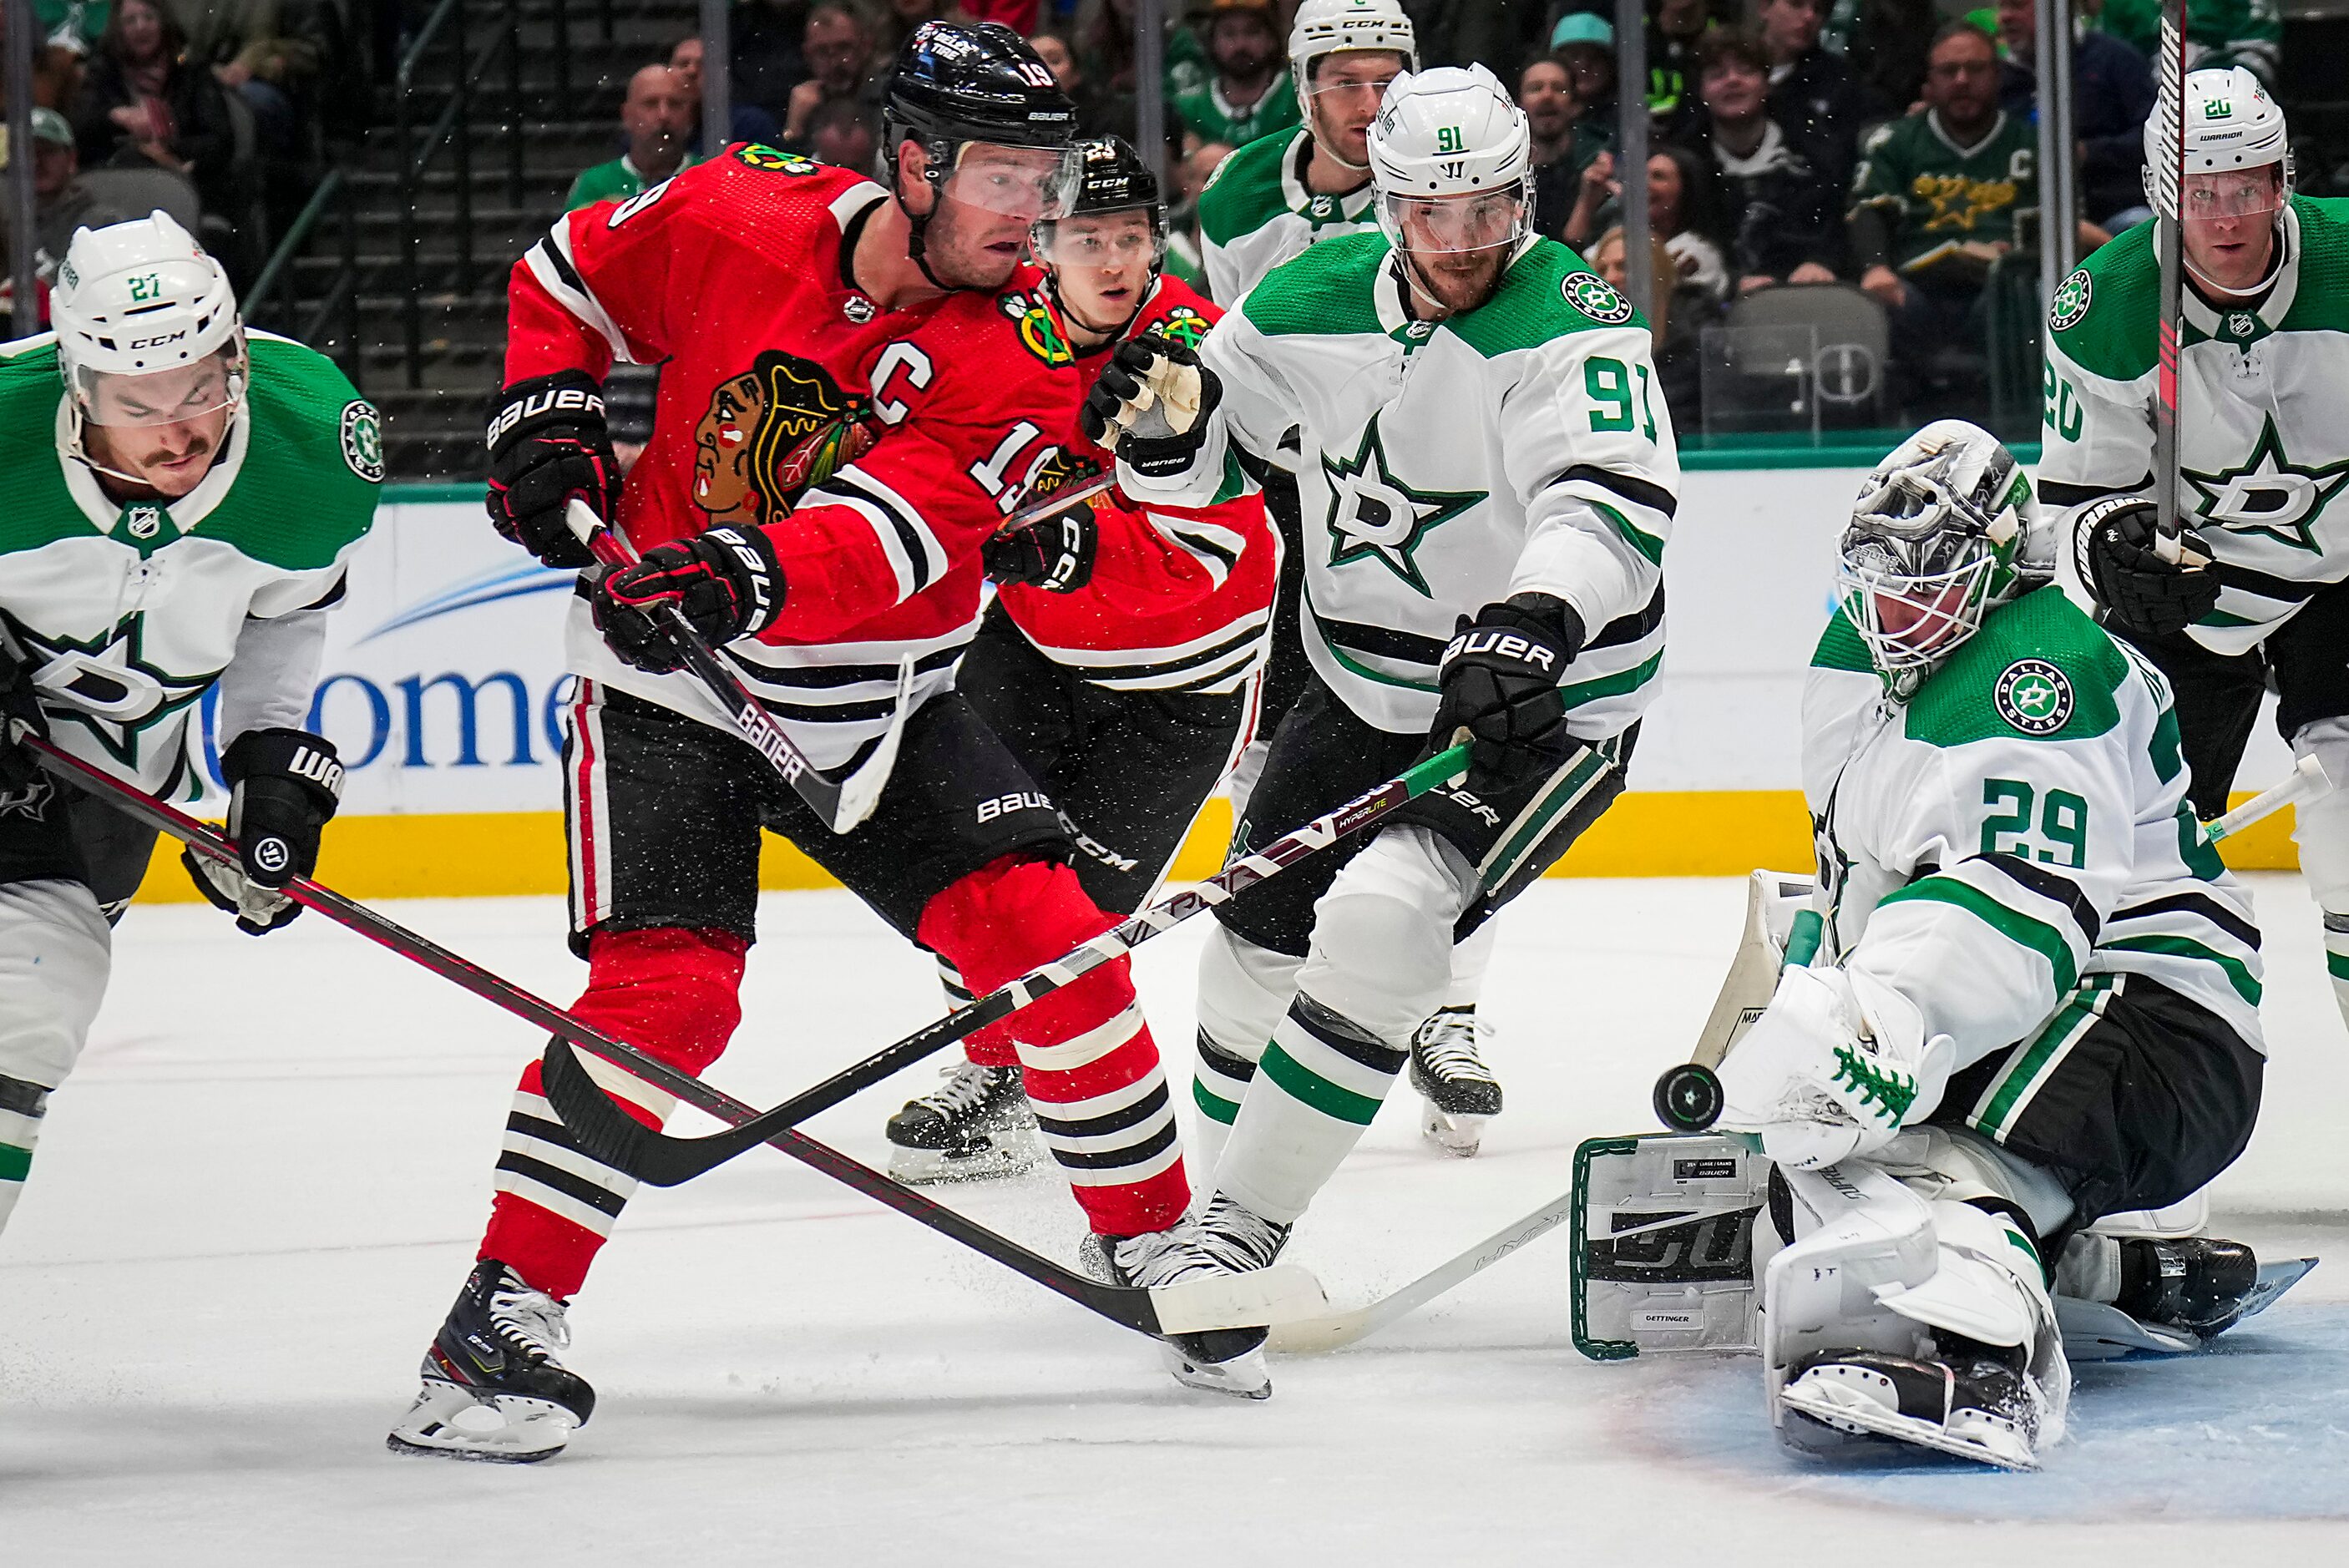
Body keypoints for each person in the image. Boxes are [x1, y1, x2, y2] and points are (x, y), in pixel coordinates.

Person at [387, 23, 1196, 1463]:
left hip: (881, 700)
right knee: (671, 996)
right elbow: (567, 274)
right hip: (671, 695)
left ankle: (1159, 1245)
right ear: (911, 161)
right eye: (1003, 175)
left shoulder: (1021, 346)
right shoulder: (736, 209)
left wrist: (734, 573)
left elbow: (897, 527)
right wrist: (546, 413)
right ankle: (492, 1322)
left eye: (1047, 174)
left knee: (1055, 943)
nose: (1034, 211)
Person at [1082, 65, 1676, 1396]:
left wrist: (1537, 615)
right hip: (1359, 683)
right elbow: (1201, 459)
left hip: (1543, 701)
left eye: (1492, 209)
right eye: (1437, 213)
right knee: (1249, 933)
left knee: (1388, 919)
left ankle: (1237, 1232)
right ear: (1388, 205)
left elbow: (1611, 499)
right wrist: (1163, 427)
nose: (1468, 242)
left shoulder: (1570, 314)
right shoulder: (1299, 299)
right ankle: (1210, 1206)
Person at [1712, 422, 2269, 1469]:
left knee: (1918, 1155)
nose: (1896, 609)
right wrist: (1831, 1010)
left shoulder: (2035, 676)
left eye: (1926, 582)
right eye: (1876, 581)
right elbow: (1864, 877)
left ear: (1995, 568)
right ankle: (2111, 1273)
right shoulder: (1864, 652)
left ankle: (1969, 1349)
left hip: (2154, 1024)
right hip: (2054, 1001)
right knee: (1825, 1171)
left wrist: (1875, 1023)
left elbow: (2009, 923)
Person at [882, 139, 1278, 1182]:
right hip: (1029, 650)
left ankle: (1054, 1080)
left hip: (1179, 683)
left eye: (1133, 238)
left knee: (1075, 930)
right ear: (1041, 245)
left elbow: (1221, 552)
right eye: (1089, 238)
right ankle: (992, 1065)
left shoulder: (1200, 356)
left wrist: (1073, 545)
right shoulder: (992, 321)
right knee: (984, 884)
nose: (1115, 261)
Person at [0, 212, 379, 1242]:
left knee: (30, 1001)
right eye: (139, 404)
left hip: (105, 805)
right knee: (31, 988)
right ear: (77, 386)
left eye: (203, 389)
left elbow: (287, 615)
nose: (180, 431)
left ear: (238, 359)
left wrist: (270, 768)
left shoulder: (308, 446)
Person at [2046, 68, 2349, 1035]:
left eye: (2249, 186)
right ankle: (2140, 1080)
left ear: (2283, 179)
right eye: (2200, 193)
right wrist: (2112, 545)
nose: (2227, 217)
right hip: (2194, 591)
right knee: (2145, 850)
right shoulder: (2106, 304)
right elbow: (2074, 505)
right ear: (2158, 194)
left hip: (2343, 579)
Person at [1848, 24, 2045, 382]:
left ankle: (2016, 421)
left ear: (1997, 75)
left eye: (1975, 68)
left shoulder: (2035, 144)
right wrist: (1875, 267)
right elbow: (1869, 210)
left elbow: (2061, 226)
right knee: (1886, 302)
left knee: (2016, 298)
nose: (1961, 80)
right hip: (1915, 288)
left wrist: (2019, 258)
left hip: (2003, 289)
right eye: (1948, 71)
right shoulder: (1894, 142)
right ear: (1929, 81)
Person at [1682, 28, 1842, 295]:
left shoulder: (1816, 152)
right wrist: (1730, 282)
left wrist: (1819, 261)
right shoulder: (1685, 165)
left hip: (1802, 292)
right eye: (1717, 75)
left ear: (1766, 85)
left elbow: (1834, 224)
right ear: (1702, 92)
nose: (1732, 81)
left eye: (1745, 71)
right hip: (1713, 301)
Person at [1993, 0, 2154, 231]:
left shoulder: (2115, 58)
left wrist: (2089, 152)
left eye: (2017, 5)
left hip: (2113, 212)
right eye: (2002, 7)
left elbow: (2155, 136)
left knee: (2141, 226)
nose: (2005, 17)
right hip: (2023, 219)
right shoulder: (1999, 77)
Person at [71, 0, 235, 215]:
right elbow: (78, 130)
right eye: (130, 20)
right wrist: (114, 117)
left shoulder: (192, 71)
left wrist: (167, 150)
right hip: (116, 184)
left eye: (149, 17)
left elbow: (219, 141)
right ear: (118, 29)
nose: (141, 27)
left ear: (163, 23)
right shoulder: (103, 70)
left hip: (186, 186)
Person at [2, 107, 138, 316]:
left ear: (71, 159)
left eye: (47, 151)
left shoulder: (104, 223)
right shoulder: (7, 224)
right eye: (27, 153)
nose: (37, 162)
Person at [1564, 144, 1732, 305]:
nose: (1643, 184)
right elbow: (1568, 267)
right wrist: (1587, 202)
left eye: (1658, 177)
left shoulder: (1697, 253)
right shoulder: (1619, 242)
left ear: (1686, 190)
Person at [1758, 0, 1873, 190]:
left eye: (1818, 9)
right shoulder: (1733, 70)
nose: (1809, 17)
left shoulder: (1839, 80)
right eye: (1796, 4)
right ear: (1764, 8)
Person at [564, 63, 698, 211]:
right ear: (627, 115)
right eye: (651, 104)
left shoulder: (708, 177)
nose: (663, 115)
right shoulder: (596, 185)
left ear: (690, 116)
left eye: (674, 104)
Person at [1173, 0, 1299, 150]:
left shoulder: (1297, 95)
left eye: (1252, 32)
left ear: (1271, 39)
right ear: (1213, 41)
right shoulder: (1191, 108)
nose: (1240, 45)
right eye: (1229, 34)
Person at [1521, 53, 1608, 242]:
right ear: (1518, 105)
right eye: (1535, 88)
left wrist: (1587, 202)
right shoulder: (1505, 175)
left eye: (1559, 89)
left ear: (1575, 105)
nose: (1546, 96)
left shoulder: (1596, 169)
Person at [782, 3, 878, 152]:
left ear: (865, 46)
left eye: (843, 48)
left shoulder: (887, 99)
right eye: (821, 51)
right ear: (807, 55)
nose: (834, 62)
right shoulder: (804, 104)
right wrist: (794, 130)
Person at [668, 33, 783, 151]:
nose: (692, 71)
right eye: (683, 64)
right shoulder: (657, 123)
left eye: (704, 64)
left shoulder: (749, 125)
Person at [1549, 13, 1619, 132]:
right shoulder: (1540, 114)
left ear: (1610, 65)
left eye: (1595, 56)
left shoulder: (1624, 117)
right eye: (1574, 56)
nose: (1584, 65)